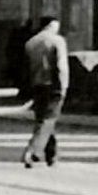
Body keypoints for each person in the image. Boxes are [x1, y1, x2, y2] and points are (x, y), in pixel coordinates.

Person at [21, 14, 72, 168]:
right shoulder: (57, 41)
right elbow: (61, 65)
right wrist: (64, 85)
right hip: (53, 84)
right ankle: (33, 151)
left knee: (44, 119)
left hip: (37, 85)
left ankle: (52, 154)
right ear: (51, 25)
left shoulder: (31, 43)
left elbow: (25, 66)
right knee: (49, 119)